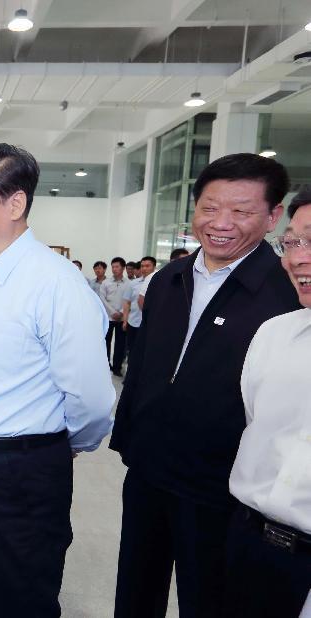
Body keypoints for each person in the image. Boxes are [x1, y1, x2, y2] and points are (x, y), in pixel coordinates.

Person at [0, 143, 114, 617]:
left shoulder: (55, 284)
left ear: (15, 204)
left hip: (14, 472)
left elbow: (91, 400)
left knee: (14, 594)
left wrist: (52, 447)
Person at [109, 153, 300, 618]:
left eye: (241, 211)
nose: (221, 224)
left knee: (208, 599)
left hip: (221, 489)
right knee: (136, 590)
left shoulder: (284, 292)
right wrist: (130, 441)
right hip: (150, 471)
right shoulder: (169, 279)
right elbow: (144, 367)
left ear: (273, 216)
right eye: (210, 208)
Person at [224, 187, 311, 618]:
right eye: (291, 241)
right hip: (252, 546)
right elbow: (254, 419)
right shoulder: (274, 334)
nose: (296, 257)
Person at [100, 256, 128, 376]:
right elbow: (102, 299)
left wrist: (121, 312)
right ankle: (106, 365)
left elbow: (129, 300)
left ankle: (117, 367)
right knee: (106, 342)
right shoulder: (106, 283)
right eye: (113, 267)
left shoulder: (129, 284)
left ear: (123, 268)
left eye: (117, 267)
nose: (114, 269)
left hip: (122, 318)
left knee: (120, 344)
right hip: (108, 317)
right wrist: (112, 312)